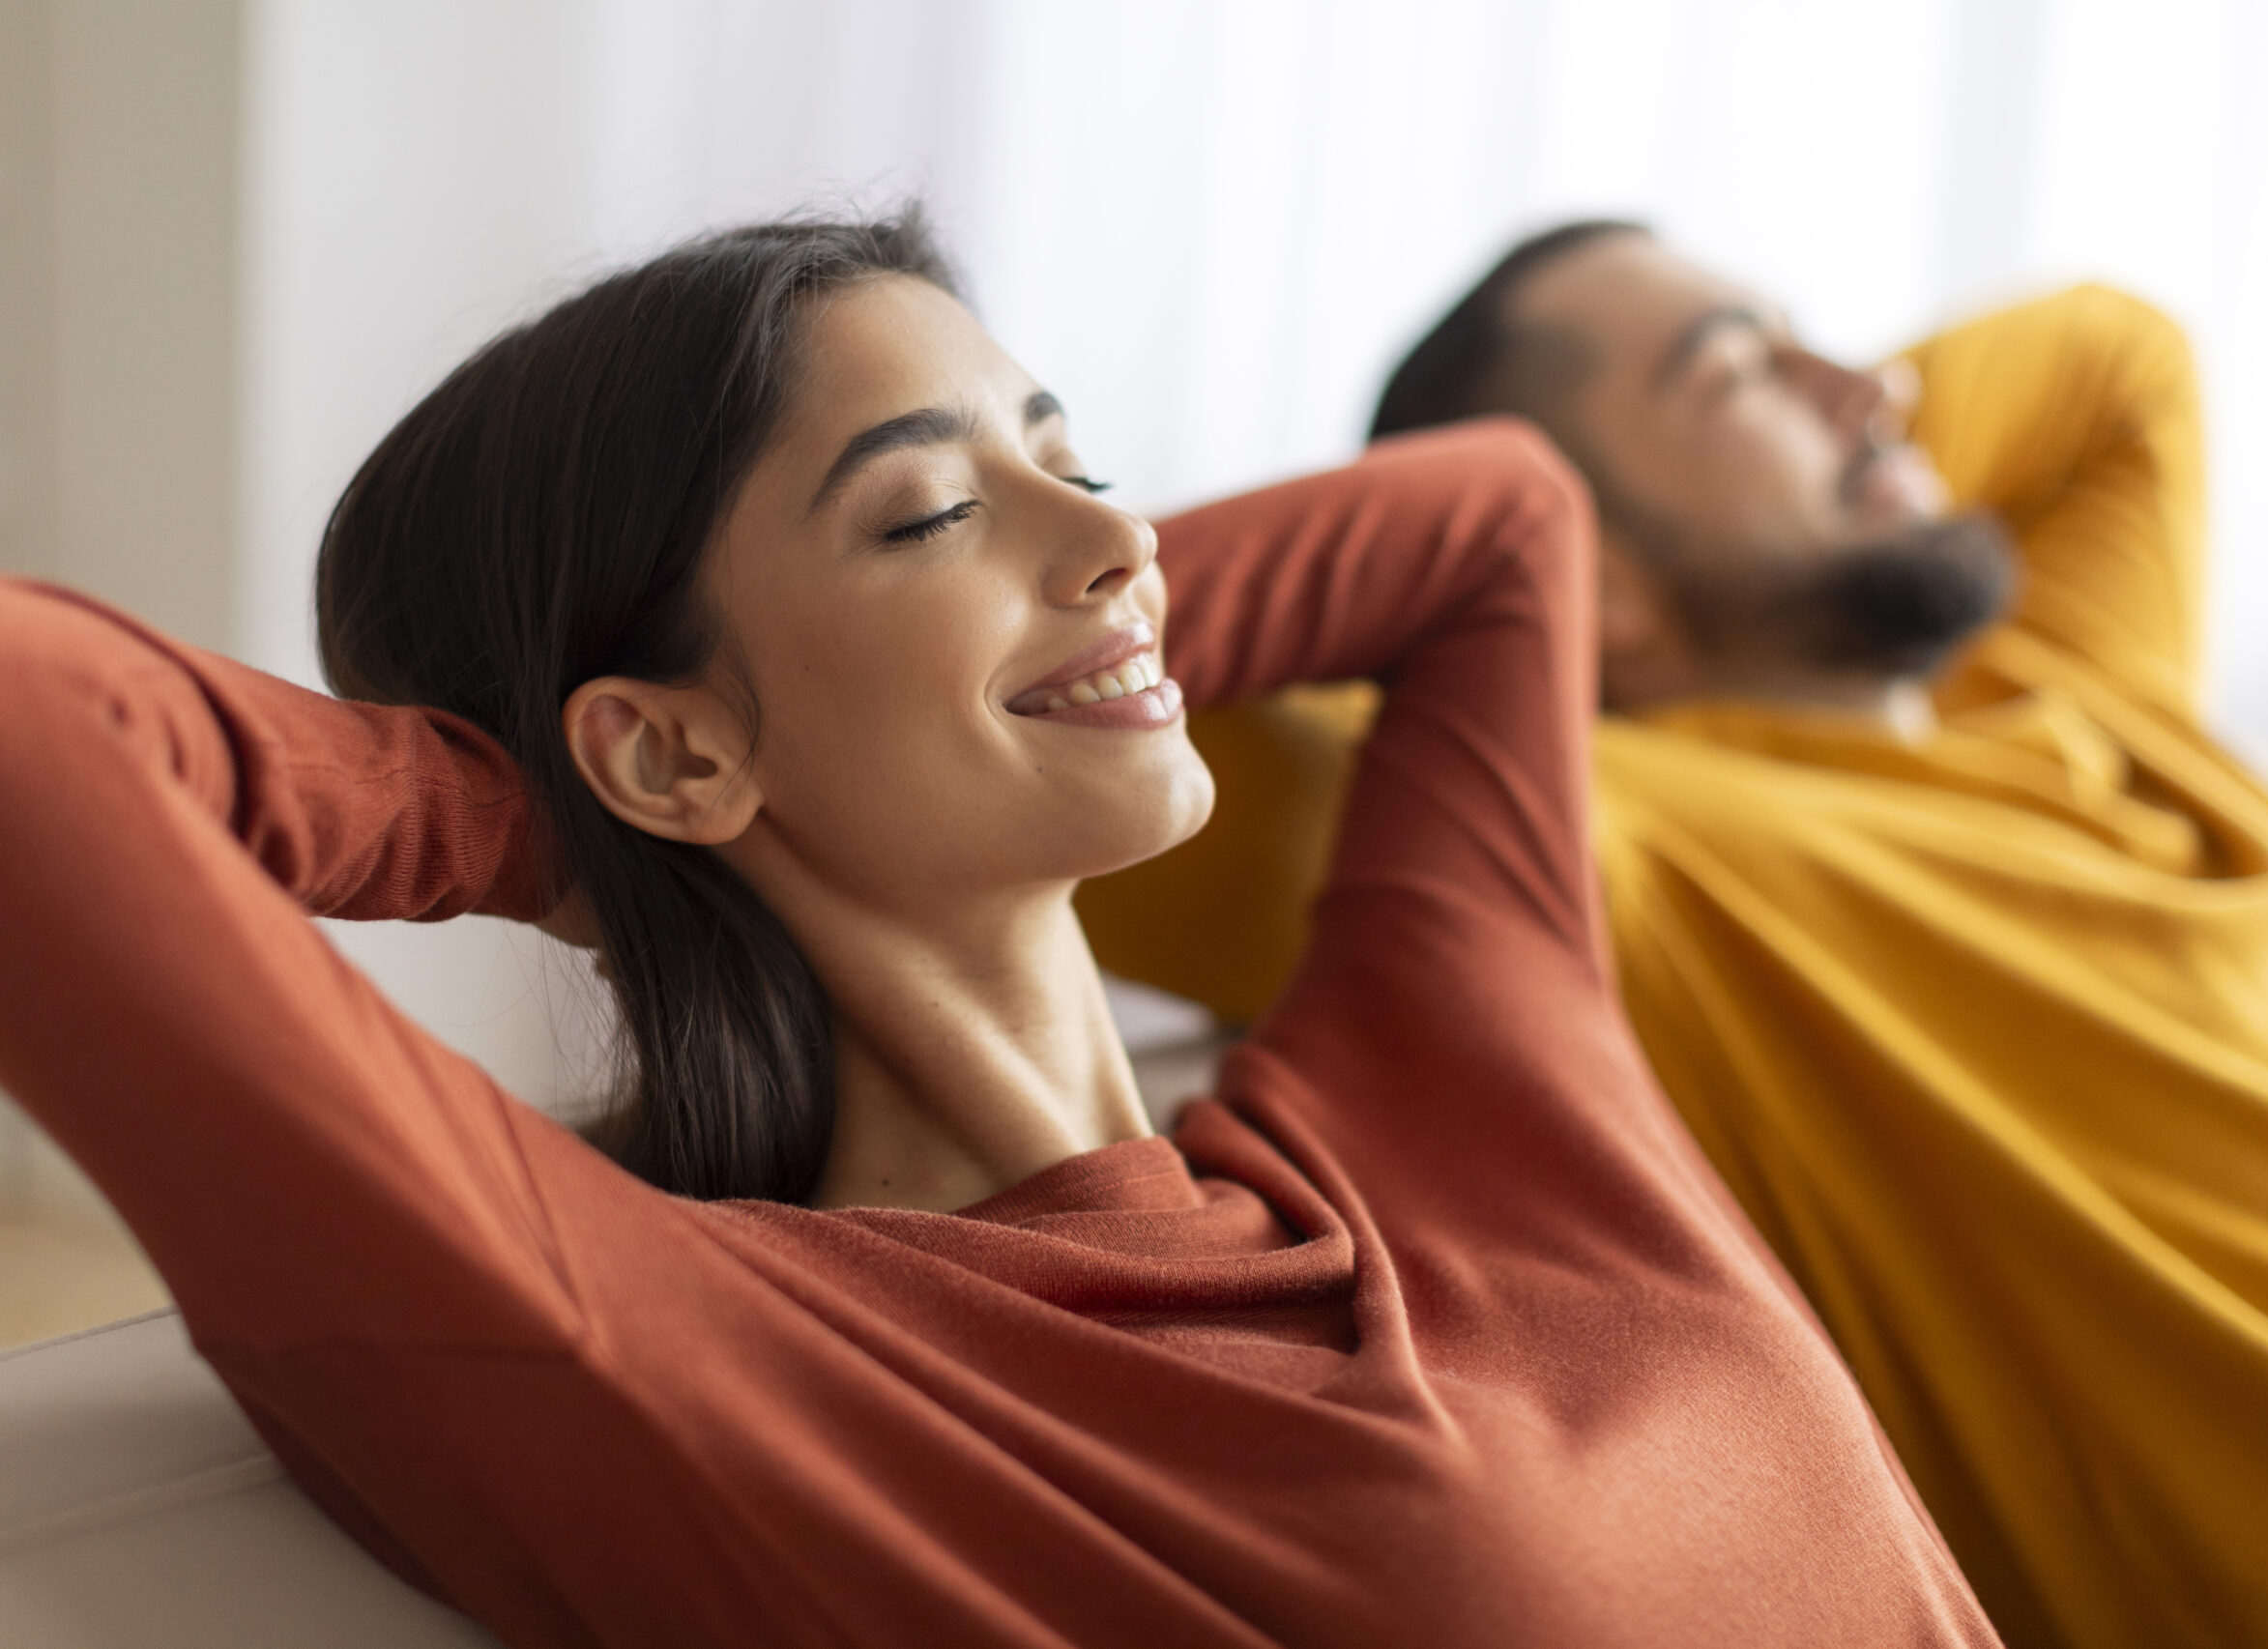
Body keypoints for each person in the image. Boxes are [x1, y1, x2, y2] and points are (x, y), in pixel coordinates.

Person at [0, 215, 2000, 1647]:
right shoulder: (704, 1357)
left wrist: (942, 664)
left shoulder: (1460, 1078)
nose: (1121, 541)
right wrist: (545, 811)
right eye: (926, 514)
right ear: (665, 744)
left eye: (1078, 462)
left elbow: (1494, 517)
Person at [1080, 221, 2268, 1649]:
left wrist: (1802, 418)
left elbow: (2120, 362)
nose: (1873, 387)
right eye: (1740, 369)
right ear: (1593, 576)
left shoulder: (2067, 679)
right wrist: (1514, 522)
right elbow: (1008, 677)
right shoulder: (1602, 856)